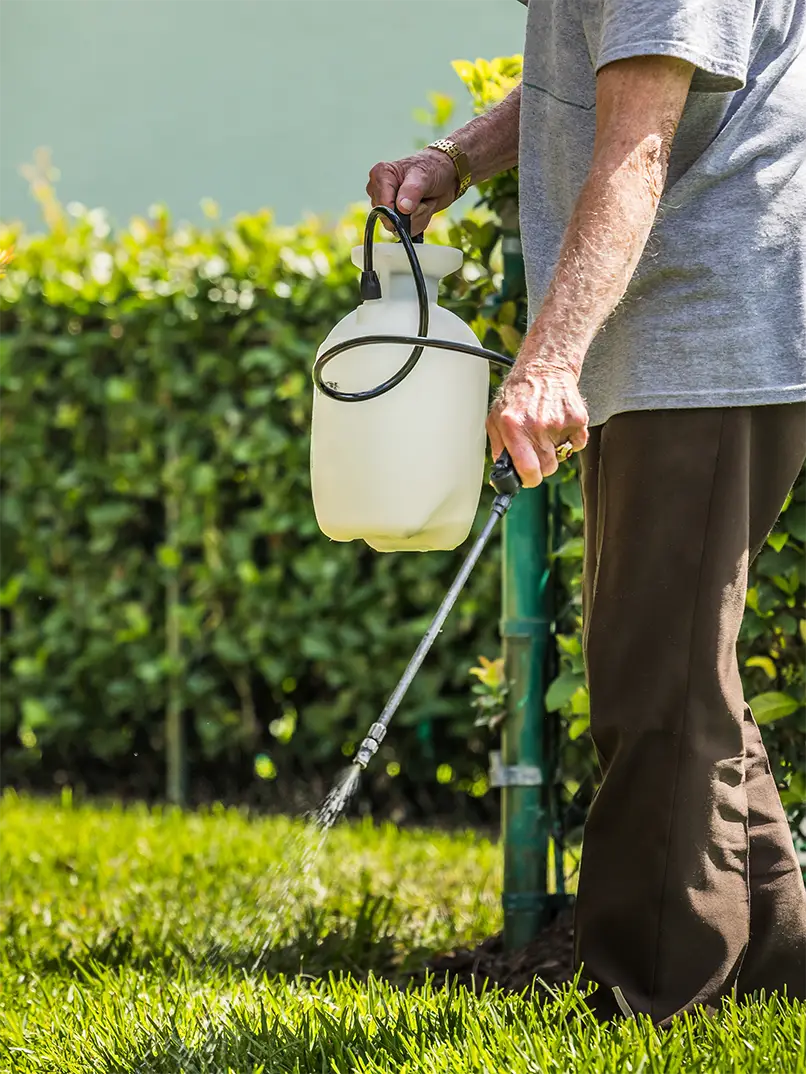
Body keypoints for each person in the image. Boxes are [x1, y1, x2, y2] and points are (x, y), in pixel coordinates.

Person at [367, 0, 806, 1025]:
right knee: (682, 673)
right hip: (667, 342)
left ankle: (648, 994)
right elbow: (607, 74)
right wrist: (457, 157)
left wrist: (549, 357)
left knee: (651, 681)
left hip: (705, 335)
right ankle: (774, 968)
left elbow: (635, 146)